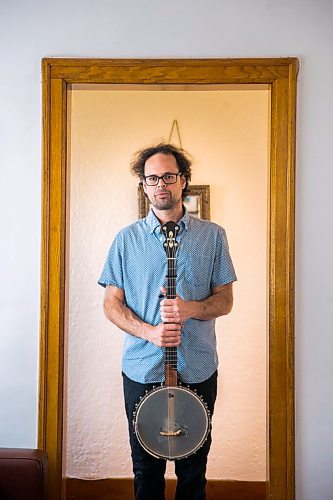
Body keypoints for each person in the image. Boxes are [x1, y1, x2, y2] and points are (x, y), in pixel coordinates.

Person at [98, 143, 237, 500]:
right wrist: (151, 333)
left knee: (194, 469)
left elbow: (225, 300)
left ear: (183, 181)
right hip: (142, 368)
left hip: (198, 367)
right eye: (152, 178)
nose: (161, 184)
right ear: (144, 185)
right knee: (146, 469)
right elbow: (111, 305)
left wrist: (190, 308)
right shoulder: (125, 240)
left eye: (169, 176)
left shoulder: (213, 236)